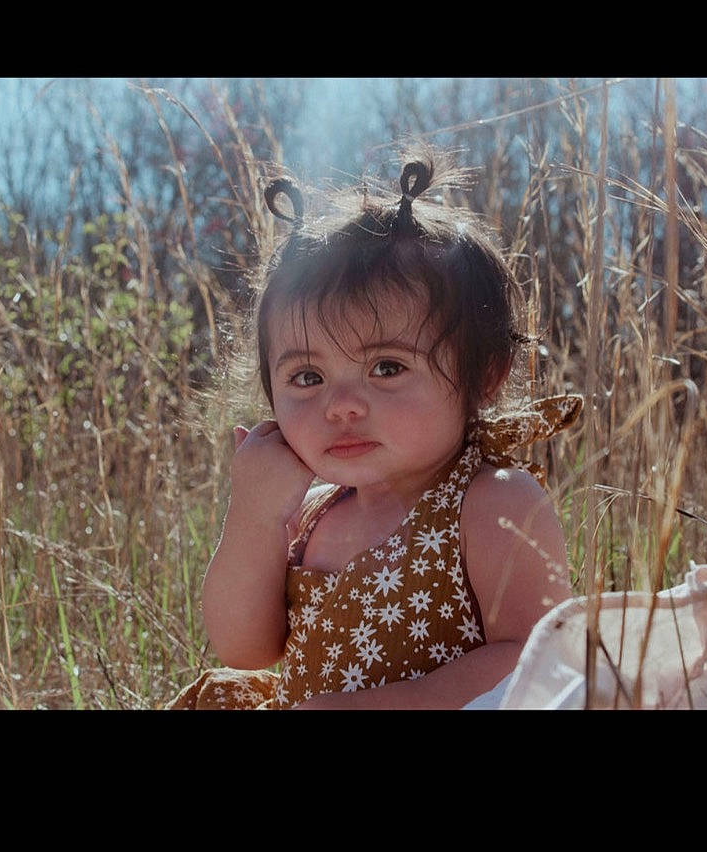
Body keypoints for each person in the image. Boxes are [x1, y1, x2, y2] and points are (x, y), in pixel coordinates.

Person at [168, 155, 582, 711]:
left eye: (387, 368)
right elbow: (245, 649)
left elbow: (540, 660)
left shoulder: (491, 502)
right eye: (307, 377)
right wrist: (252, 516)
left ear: (484, 376)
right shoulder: (310, 513)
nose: (340, 406)